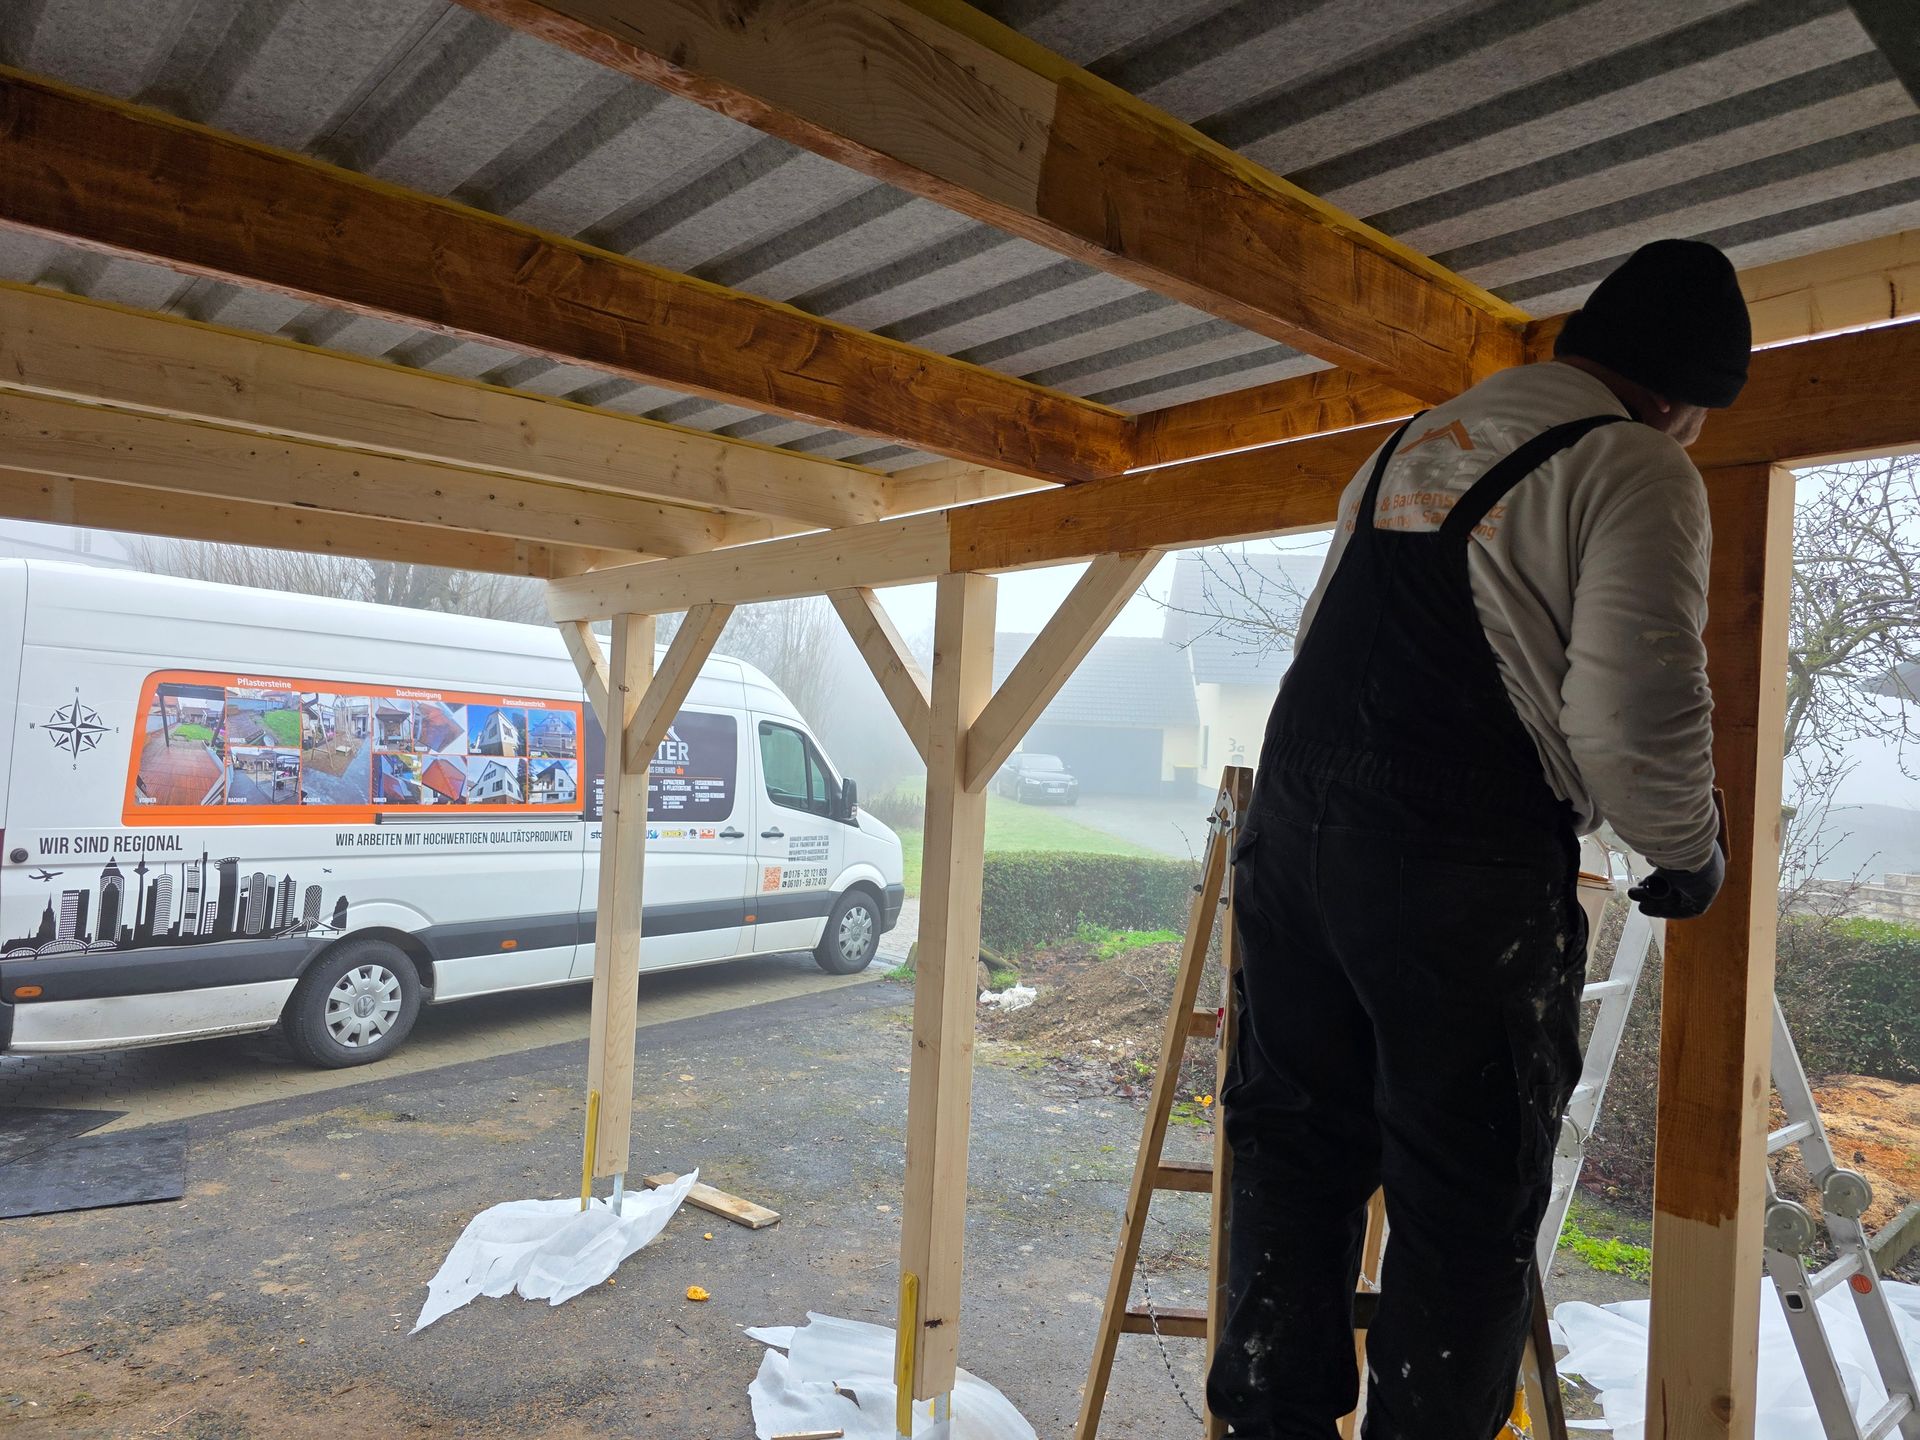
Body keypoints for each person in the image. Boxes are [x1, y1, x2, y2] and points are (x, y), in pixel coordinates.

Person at [1205, 239, 1749, 1439]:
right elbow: (1634, 709)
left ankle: (1266, 1423)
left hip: (1291, 834)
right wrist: (1686, 850)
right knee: (1463, 1195)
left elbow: (1323, 639)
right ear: (1680, 398)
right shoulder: (1634, 462)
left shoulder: (1408, 446)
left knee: (1292, 1150)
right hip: (1455, 862)